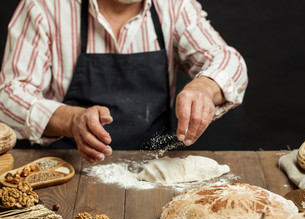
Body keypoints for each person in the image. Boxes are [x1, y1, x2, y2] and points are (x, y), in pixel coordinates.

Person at [0, 0, 248, 163]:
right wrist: (72, 119)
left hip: (154, 170)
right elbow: (8, 95)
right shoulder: (44, 7)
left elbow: (227, 59)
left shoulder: (174, 6)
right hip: (64, 170)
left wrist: (204, 87)